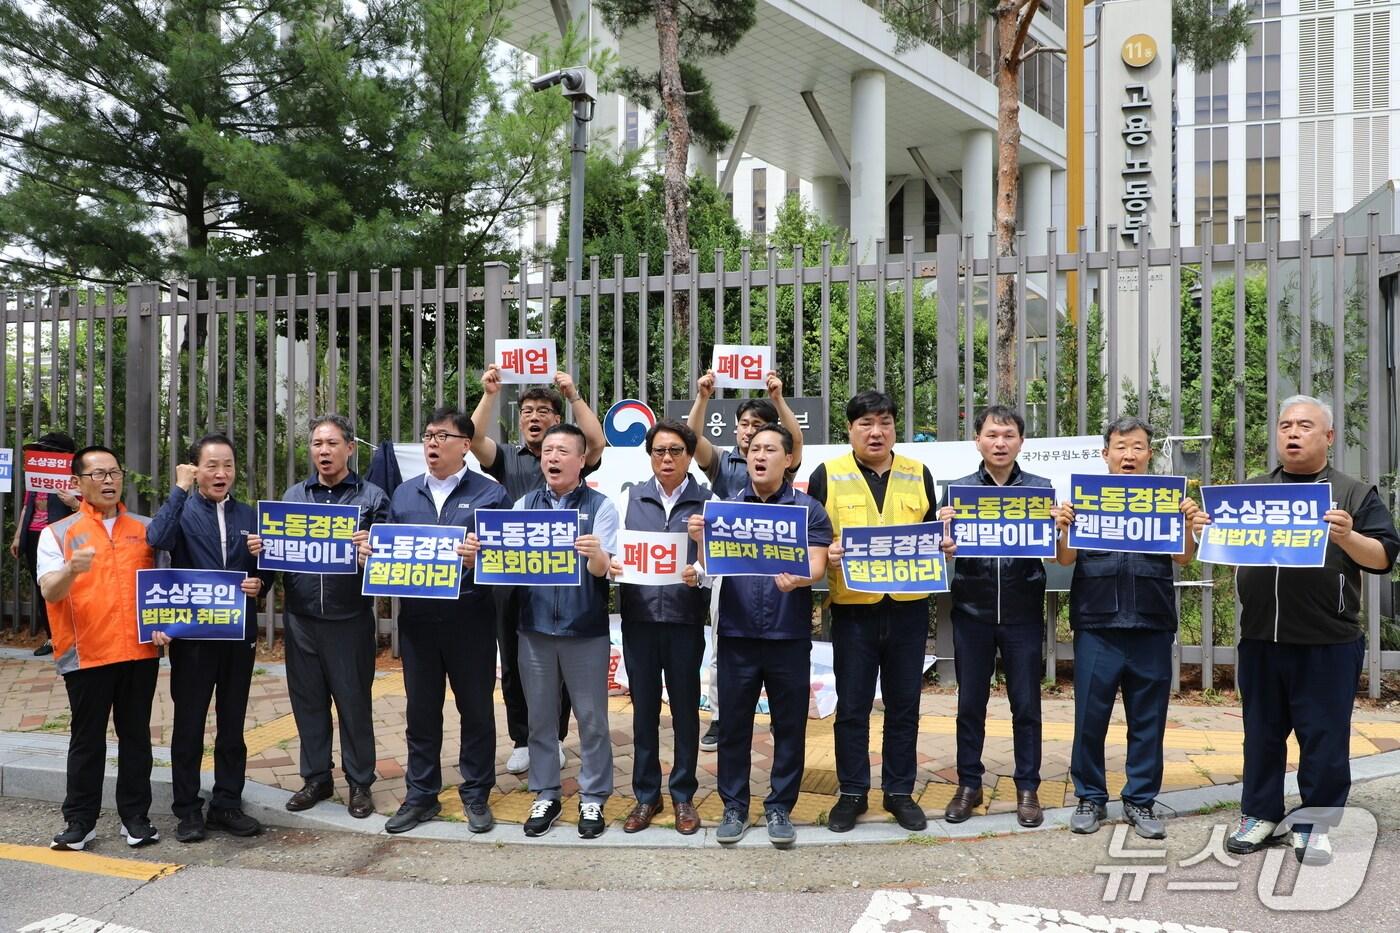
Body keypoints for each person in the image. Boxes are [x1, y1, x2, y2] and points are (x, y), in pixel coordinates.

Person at [1192, 396, 1399, 865]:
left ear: (1327, 437)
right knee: (1260, 733)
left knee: (1324, 736)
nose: (1292, 433)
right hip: (1262, 637)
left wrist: (1347, 536)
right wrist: (1205, 529)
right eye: (1285, 425)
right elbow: (1218, 547)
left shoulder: (1353, 494)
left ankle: (1314, 823)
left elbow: (1383, 557)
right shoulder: (1252, 493)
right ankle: (1259, 815)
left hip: (1329, 639)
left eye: (1305, 425)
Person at [361, 406, 510, 834]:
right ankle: (421, 794)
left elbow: (505, 558)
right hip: (419, 622)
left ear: (465, 445)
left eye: (442, 436)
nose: (432, 443)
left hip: (472, 618)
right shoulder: (405, 494)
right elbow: (387, 549)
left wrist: (481, 556)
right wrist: (371, 553)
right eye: (428, 435)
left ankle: (476, 792)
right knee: (420, 711)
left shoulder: (490, 493)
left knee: (476, 710)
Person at [1052, 416, 1200, 839]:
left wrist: (1188, 525)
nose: (1129, 455)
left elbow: (1185, 559)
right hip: (1097, 621)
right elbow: (1064, 560)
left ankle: (1140, 801)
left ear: (1149, 454)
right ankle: (1090, 797)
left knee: (1148, 717)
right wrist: (1062, 527)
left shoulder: (1166, 500)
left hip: (1151, 621)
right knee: (1090, 716)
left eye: (1137, 447)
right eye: (1120, 447)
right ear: (1105, 454)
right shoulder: (1084, 500)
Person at [811, 391, 950, 833]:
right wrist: (826, 552)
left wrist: (945, 543)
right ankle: (852, 792)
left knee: (904, 705)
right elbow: (810, 539)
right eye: (866, 423)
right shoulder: (827, 474)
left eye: (885, 422)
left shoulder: (918, 473)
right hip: (853, 611)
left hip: (909, 610)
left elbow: (934, 535)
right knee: (851, 707)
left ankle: (899, 792)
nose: (877, 432)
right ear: (850, 430)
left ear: (894, 427)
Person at [696, 422, 831, 849]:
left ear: (788, 459)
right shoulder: (727, 508)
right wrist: (701, 539)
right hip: (736, 633)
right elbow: (712, 566)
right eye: (754, 448)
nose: (759, 456)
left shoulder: (808, 510)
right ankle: (734, 806)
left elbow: (818, 566)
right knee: (734, 725)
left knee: (788, 727)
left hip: (787, 635)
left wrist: (799, 579)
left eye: (770, 449)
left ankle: (779, 807)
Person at [246, 415, 387, 819]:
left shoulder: (372, 498)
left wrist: (370, 551)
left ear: (349, 448)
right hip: (301, 618)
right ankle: (316, 778)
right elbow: (273, 560)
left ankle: (360, 783)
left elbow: (388, 561)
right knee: (307, 702)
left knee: (354, 703)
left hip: (349, 620)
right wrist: (261, 555)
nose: (323, 451)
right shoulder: (292, 498)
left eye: (331, 443)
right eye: (316, 444)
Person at [470, 367, 604, 776]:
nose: (534, 417)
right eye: (527, 410)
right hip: (512, 577)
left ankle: (555, 738)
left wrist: (574, 394)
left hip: (562, 577)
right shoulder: (508, 457)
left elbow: (597, 441)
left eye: (543, 411)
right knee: (513, 660)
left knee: (559, 659)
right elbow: (473, 440)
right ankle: (523, 738)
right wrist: (490, 394)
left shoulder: (570, 451)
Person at [496, 423, 618, 839]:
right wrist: (482, 556)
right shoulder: (523, 506)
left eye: (563, 451)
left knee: (592, 720)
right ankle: (546, 792)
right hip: (534, 630)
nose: (552, 458)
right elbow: (505, 565)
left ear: (582, 460)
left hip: (585, 630)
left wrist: (597, 555)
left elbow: (606, 571)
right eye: (548, 450)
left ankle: (593, 798)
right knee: (541, 721)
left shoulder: (600, 507)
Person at [147, 434, 270, 843]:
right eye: (212, 465)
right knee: (189, 723)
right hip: (194, 638)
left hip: (238, 635)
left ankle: (227, 804)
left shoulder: (250, 516)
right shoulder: (180, 511)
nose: (221, 473)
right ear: (194, 469)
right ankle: (187, 810)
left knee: (233, 723)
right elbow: (156, 541)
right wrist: (178, 491)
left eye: (228, 466)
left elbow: (264, 570)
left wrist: (259, 583)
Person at [39, 446, 160, 850]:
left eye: (114, 473)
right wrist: (71, 569)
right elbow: (48, 590)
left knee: (136, 738)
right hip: (87, 653)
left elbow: (166, 587)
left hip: (139, 653)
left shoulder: (146, 529)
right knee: (87, 740)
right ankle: (80, 821)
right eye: (98, 474)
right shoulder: (58, 533)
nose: (108, 481)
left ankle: (136, 818)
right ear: (78, 483)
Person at [937, 405, 1052, 828]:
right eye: (991, 435)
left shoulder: (1041, 490)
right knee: (970, 704)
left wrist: (1058, 523)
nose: (999, 443)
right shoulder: (958, 492)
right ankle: (969, 784)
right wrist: (942, 535)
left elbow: (1055, 549)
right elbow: (935, 548)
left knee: (1026, 705)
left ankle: (1028, 787)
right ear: (977, 440)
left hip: (1023, 613)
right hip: (972, 611)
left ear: (1021, 441)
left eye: (1008, 435)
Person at [686, 370, 806, 751]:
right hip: (732, 569)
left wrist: (778, 397)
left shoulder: (778, 458)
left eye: (758, 426)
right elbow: (691, 441)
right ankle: (722, 718)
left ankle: (777, 719)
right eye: (743, 425)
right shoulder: (726, 464)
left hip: (777, 567)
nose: (749, 433)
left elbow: (797, 441)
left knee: (777, 650)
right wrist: (703, 396)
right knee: (725, 644)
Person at [610, 420, 711, 835]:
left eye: (675, 451)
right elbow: (612, 554)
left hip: (686, 621)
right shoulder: (628, 498)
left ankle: (683, 795)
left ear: (689, 456)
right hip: (640, 621)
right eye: (659, 451)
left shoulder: (708, 502)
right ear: (649, 455)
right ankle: (646, 796)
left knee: (686, 710)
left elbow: (719, 565)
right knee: (644, 711)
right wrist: (613, 566)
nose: (666, 459)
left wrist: (700, 570)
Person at [11, 431, 79, 656]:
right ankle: (52, 638)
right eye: (45, 451)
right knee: (43, 587)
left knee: (70, 587)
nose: (47, 455)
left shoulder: (76, 477)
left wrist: (73, 502)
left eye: (52, 452)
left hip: (62, 536)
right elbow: (26, 507)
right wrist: (19, 536)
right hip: (34, 536)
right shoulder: (36, 475)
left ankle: (73, 636)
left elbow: (90, 510)